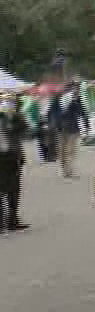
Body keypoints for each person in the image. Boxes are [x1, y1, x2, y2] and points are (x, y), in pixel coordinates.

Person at [48, 79, 86, 179]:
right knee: (62, 151)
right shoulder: (57, 98)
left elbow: (82, 112)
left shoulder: (77, 98)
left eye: (77, 88)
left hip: (73, 128)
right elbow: (51, 111)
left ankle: (70, 170)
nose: (76, 90)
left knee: (71, 150)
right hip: (61, 128)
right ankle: (63, 168)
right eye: (75, 87)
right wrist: (53, 123)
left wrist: (86, 126)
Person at [0, 94, 27, 230]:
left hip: (12, 156)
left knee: (14, 190)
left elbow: (25, 128)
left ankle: (12, 220)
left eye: (10, 102)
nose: (7, 104)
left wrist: (12, 115)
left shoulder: (15, 116)